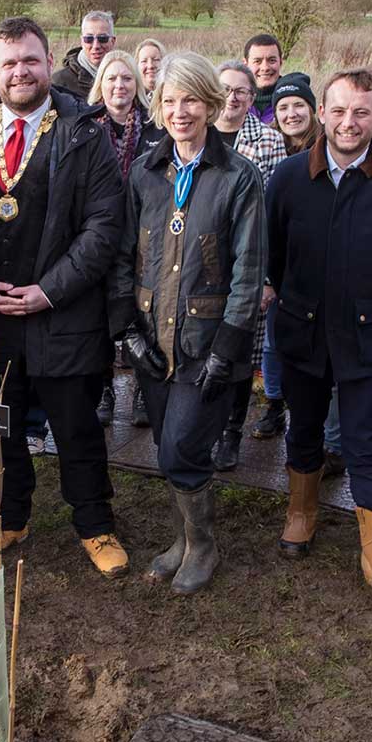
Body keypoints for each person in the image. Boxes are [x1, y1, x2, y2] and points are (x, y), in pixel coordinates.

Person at [0, 16, 130, 577]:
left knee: (76, 428)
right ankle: (9, 516)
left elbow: (104, 226)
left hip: (60, 316)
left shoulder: (84, 132)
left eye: (31, 61)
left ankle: (94, 524)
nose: (20, 72)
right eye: (9, 63)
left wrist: (49, 291)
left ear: (47, 63)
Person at [266, 69, 372, 615]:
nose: (348, 122)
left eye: (362, 112)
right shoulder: (289, 179)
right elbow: (274, 254)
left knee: (366, 442)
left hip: (368, 339)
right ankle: (302, 513)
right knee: (306, 428)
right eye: (338, 111)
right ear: (322, 113)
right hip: (302, 332)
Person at [111, 53, 265, 594]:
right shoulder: (145, 174)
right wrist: (127, 332)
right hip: (154, 338)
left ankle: (203, 544)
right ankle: (181, 538)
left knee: (181, 447)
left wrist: (228, 347)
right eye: (170, 101)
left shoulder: (239, 177)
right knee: (166, 447)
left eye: (191, 100)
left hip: (207, 343)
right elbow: (123, 256)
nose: (180, 111)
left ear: (211, 104)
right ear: (159, 106)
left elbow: (249, 270)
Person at [211, 60, 285, 470]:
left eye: (241, 91)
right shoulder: (197, 135)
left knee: (238, 353)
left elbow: (271, 216)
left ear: (252, 98)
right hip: (203, 268)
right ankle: (205, 426)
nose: (232, 97)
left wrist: (267, 279)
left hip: (248, 266)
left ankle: (231, 433)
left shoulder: (269, 142)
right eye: (225, 88)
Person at [88, 49, 162, 428]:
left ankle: (141, 392)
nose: (120, 85)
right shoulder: (84, 127)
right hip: (98, 233)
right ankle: (104, 390)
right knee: (100, 316)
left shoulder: (155, 129)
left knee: (142, 313)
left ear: (137, 85)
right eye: (112, 78)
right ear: (101, 84)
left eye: (127, 78)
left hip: (142, 234)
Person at [249, 72, 321, 443]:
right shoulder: (269, 146)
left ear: (312, 109)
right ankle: (275, 404)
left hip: (318, 259)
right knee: (274, 339)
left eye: (298, 105)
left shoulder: (327, 146)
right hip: (279, 260)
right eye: (283, 107)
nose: (291, 113)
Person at [51, 10, 115, 97]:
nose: (96, 45)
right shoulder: (59, 82)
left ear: (113, 41)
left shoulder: (125, 79)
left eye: (102, 38)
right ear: (81, 41)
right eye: (89, 39)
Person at [243, 34, 284, 124]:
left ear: (281, 62)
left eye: (272, 60)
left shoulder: (292, 100)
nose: (265, 68)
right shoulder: (235, 101)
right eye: (257, 61)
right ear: (245, 64)